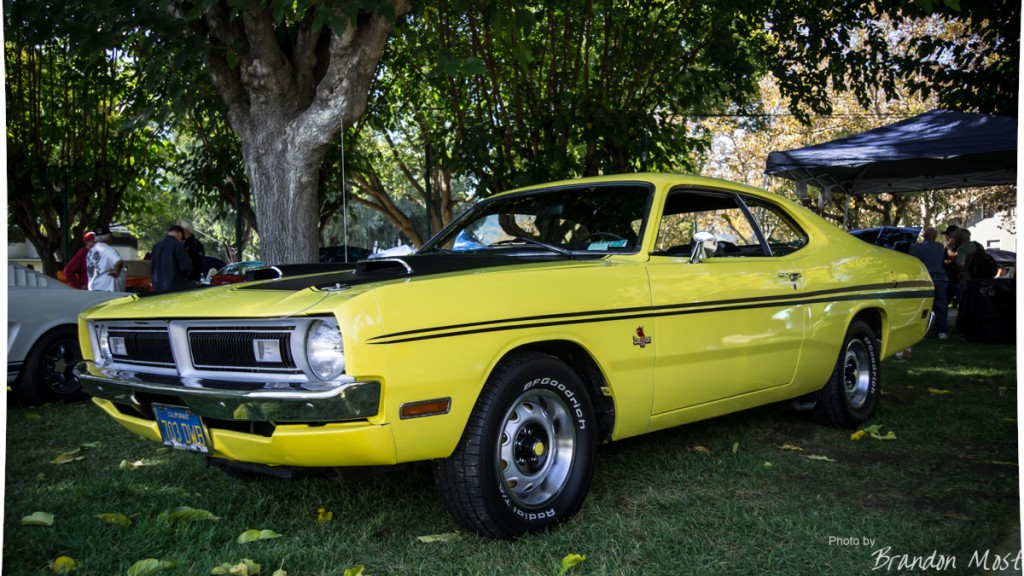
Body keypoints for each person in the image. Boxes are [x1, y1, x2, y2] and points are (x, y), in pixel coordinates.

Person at [909, 227, 948, 339]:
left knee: (922, 306)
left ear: (923, 236)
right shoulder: (939, 247)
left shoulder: (914, 247)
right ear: (935, 236)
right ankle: (942, 331)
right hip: (939, 278)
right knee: (940, 306)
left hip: (923, 278)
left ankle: (922, 331)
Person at [151, 224, 194, 292]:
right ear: (180, 234)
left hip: (157, 287)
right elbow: (186, 267)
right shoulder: (178, 246)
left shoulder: (156, 246)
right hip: (175, 287)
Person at [86, 227, 124, 291]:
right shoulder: (109, 250)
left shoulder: (90, 252)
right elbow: (119, 261)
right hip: (107, 290)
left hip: (93, 288)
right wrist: (117, 271)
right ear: (108, 237)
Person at [178, 220, 205, 284]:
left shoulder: (197, 245)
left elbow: (199, 265)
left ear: (186, 230)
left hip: (191, 281)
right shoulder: (179, 243)